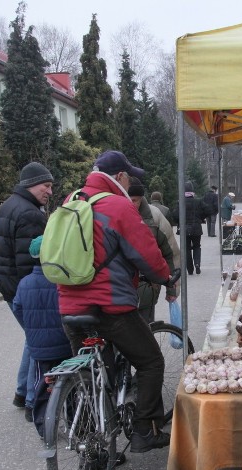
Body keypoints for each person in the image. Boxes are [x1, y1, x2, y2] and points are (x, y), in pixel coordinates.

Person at [56, 149, 174, 453]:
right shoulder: (118, 206)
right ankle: (144, 432)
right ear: (119, 177)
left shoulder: (71, 200)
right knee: (150, 362)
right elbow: (146, 253)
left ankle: (93, 452)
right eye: (128, 176)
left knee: (92, 377)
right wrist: (164, 276)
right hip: (110, 307)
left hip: (70, 308)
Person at [0, 161, 52, 419]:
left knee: (31, 338)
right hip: (24, 289)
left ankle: (21, 391)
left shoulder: (7, 206)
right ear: (30, 185)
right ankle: (30, 399)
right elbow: (32, 260)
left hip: (8, 286)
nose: (49, 191)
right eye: (46, 186)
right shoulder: (30, 214)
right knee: (38, 340)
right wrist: (34, 293)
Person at [12, 236, 73, 437]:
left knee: (42, 385)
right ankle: (75, 421)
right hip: (64, 343)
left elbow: (17, 308)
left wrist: (30, 329)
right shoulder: (62, 280)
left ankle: (43, 426)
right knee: (71, 382)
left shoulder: (24, 283)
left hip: (39, 348)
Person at [128, 177, 180, 323]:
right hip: (119, 291)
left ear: (141, 198)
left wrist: (172, 290)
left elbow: (171, 253)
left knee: (145, 335)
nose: (130, 204)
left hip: (146, 290)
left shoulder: (154, 216)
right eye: (127, 199)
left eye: (134, 200)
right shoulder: (111, 214)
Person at [172, 181, 210, 275]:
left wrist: (179, 221)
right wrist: (201, 218)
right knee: (197, 246)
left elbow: (175, 215)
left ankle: (190, 269)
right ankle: (197, 264)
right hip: (196, 227)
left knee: (186, 248)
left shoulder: (180, 202)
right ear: (192, 190)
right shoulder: (198, 201)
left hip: (184, 229)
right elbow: (208, 210)